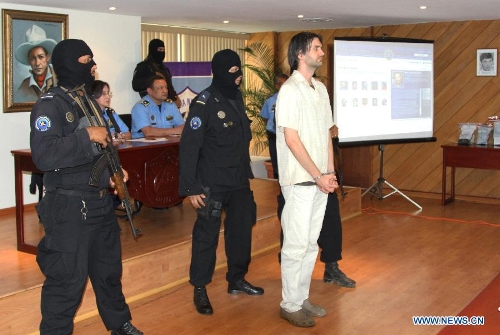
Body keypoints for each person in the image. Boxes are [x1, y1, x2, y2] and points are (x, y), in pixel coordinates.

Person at [29, 39, 142, 335]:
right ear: (67, 64)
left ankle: (119, 324)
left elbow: (102, 145)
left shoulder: (88, 101)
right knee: (66, 280)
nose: (91, 66)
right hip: (69, 208)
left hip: (100, 203)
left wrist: (114, 172)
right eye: (84, 60)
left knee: (108, 272)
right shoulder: (49, 104)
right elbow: (43, 155)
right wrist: (86, 136)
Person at [179, 49, 264, 316]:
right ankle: (200, 288)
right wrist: (191, 187)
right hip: (212, 183)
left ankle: (237, 279)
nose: (238, 76)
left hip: (238, 180)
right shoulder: (203, 103)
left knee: (241, 233)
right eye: (232, 72)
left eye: (239, 71)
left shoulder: (236, 98)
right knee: (206, 237)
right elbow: (189, 147)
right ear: (218, 72)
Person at [276, 32, 337, 328]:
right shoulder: (289, 90)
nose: (322, 52)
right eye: (316, 48)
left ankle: (301, 298)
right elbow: (291, 139)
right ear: (300, 53)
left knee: (311, 244)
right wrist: (316, 175)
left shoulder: (320, 88)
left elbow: (327, 133)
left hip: (319, 180)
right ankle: (289, 304)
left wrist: (330, 172)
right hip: (300, 180)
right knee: (296, 244)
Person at [277, 126, 356, 289]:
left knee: (331, 219)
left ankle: (331, 267)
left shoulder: (318, 102)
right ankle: (292, 277)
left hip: (322, 169)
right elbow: (282, 133)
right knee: (295, 226)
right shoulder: (283, 101)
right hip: (297, 174)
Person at [14, 24, 57, 103]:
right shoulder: (24, 86)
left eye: (41, 57)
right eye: (33, 58)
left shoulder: (59, 79)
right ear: (29, 60)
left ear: (47, 57)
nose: (37, 63)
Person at [132, 38, 180, 107]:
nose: (162, 52)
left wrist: (175, 97)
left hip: (167, 105)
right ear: (153, 50)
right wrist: (153, 77)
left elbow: (169, 86)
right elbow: (135, 85)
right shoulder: (144, 66)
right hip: (152, 105)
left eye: (163, 50)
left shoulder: (164, 68)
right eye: (160, 50)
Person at [260, 73, 289, 179]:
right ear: (276, 85)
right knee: (276, 160)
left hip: (288, 135)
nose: (283, 86)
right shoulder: (270, 100)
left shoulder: (293, 99)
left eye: (286, 83)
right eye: (280, 84)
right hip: (274, 134)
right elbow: (265, 117)